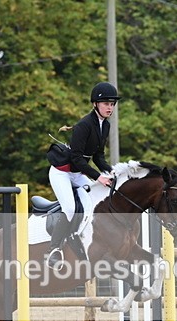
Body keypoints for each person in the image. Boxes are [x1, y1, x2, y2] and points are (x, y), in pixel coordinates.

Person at [46, 81, 119, 270]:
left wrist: (112, 172)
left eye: (112, 104)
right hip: (62, 173)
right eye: (106, 104)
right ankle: (54, 250)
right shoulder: (84, 125)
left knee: (96, 201)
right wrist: (98, 177)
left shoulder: (105, 125)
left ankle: (85, 239)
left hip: (78, 173)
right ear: (95, 104)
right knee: (70, 208)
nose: (110, 107)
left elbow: (98, 156)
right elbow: (77, 158)